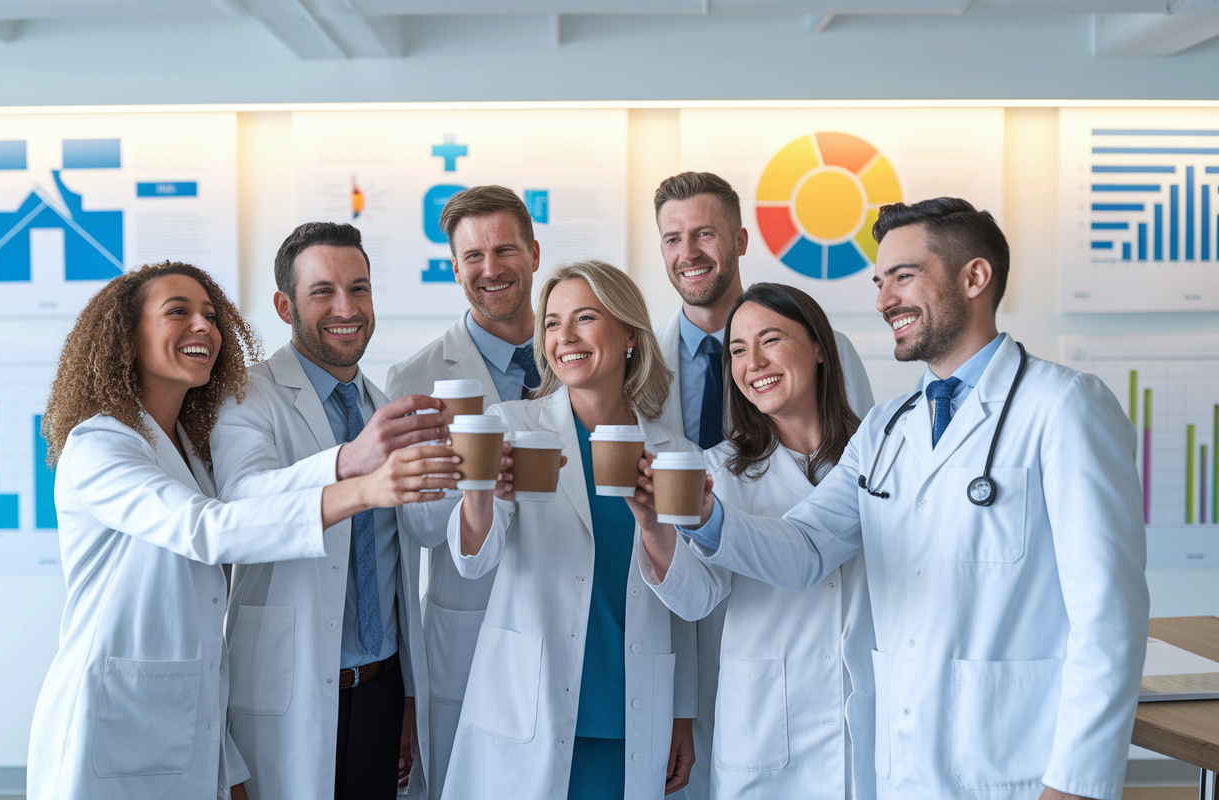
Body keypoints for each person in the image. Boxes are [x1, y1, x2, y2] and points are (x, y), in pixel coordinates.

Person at [645, 198, 1150, 800]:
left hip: (1019, 765)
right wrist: (706, 517)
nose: (884, 301)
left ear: (975, 278)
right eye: (880, 282)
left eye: (904, 277)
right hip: (903, 764)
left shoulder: (1064, 406)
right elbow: (806, 547)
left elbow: (1109, 618)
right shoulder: (888, 429)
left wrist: (1076, 782)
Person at [28, 261, 454, 800]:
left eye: (211, 315)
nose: (204, 326)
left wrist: (226, 765)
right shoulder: (99, 445)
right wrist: (365, 487)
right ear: (125, 334)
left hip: (189, 722)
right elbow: (206, 529)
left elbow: (209, 635)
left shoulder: (189, 454)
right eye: (178, 312)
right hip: (113, 718)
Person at [651, 170, 875, 798]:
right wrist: (659, 526)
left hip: (855, 689)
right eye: (672, 238)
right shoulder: (718, 461)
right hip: (749, 681)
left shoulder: (878, 448)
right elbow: (696, 588)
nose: (753, 365)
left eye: (771, 342)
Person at [211, 223, 451, 800]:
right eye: (323, 291)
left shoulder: (383, 405)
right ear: (283, 305)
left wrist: (410, 695)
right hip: (286, 690)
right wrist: (347, 461)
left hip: (382, 690)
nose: (346, 307)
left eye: (359, 288)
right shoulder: (248, 395)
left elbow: (402, 563)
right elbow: (241, 508)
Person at [446, 260, 698, 800]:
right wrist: (482, 494)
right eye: (553, 323)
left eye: (585, 318)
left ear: (630, 334)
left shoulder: (675, 456)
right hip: (527, 702)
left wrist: (682, 711)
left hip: (627, 708)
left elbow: (690, 602)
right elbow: (473, 560)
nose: (566, 337)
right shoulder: (511, 426)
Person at [385, 185, 542, 800]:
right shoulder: (415, 378)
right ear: (455, 269)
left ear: (534, 252)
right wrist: (481, 481)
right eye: (473, 257)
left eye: (506, 250)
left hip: (569, 608)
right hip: (470, 629)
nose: (491, 269)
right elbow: (419, 529)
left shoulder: (578, 355)